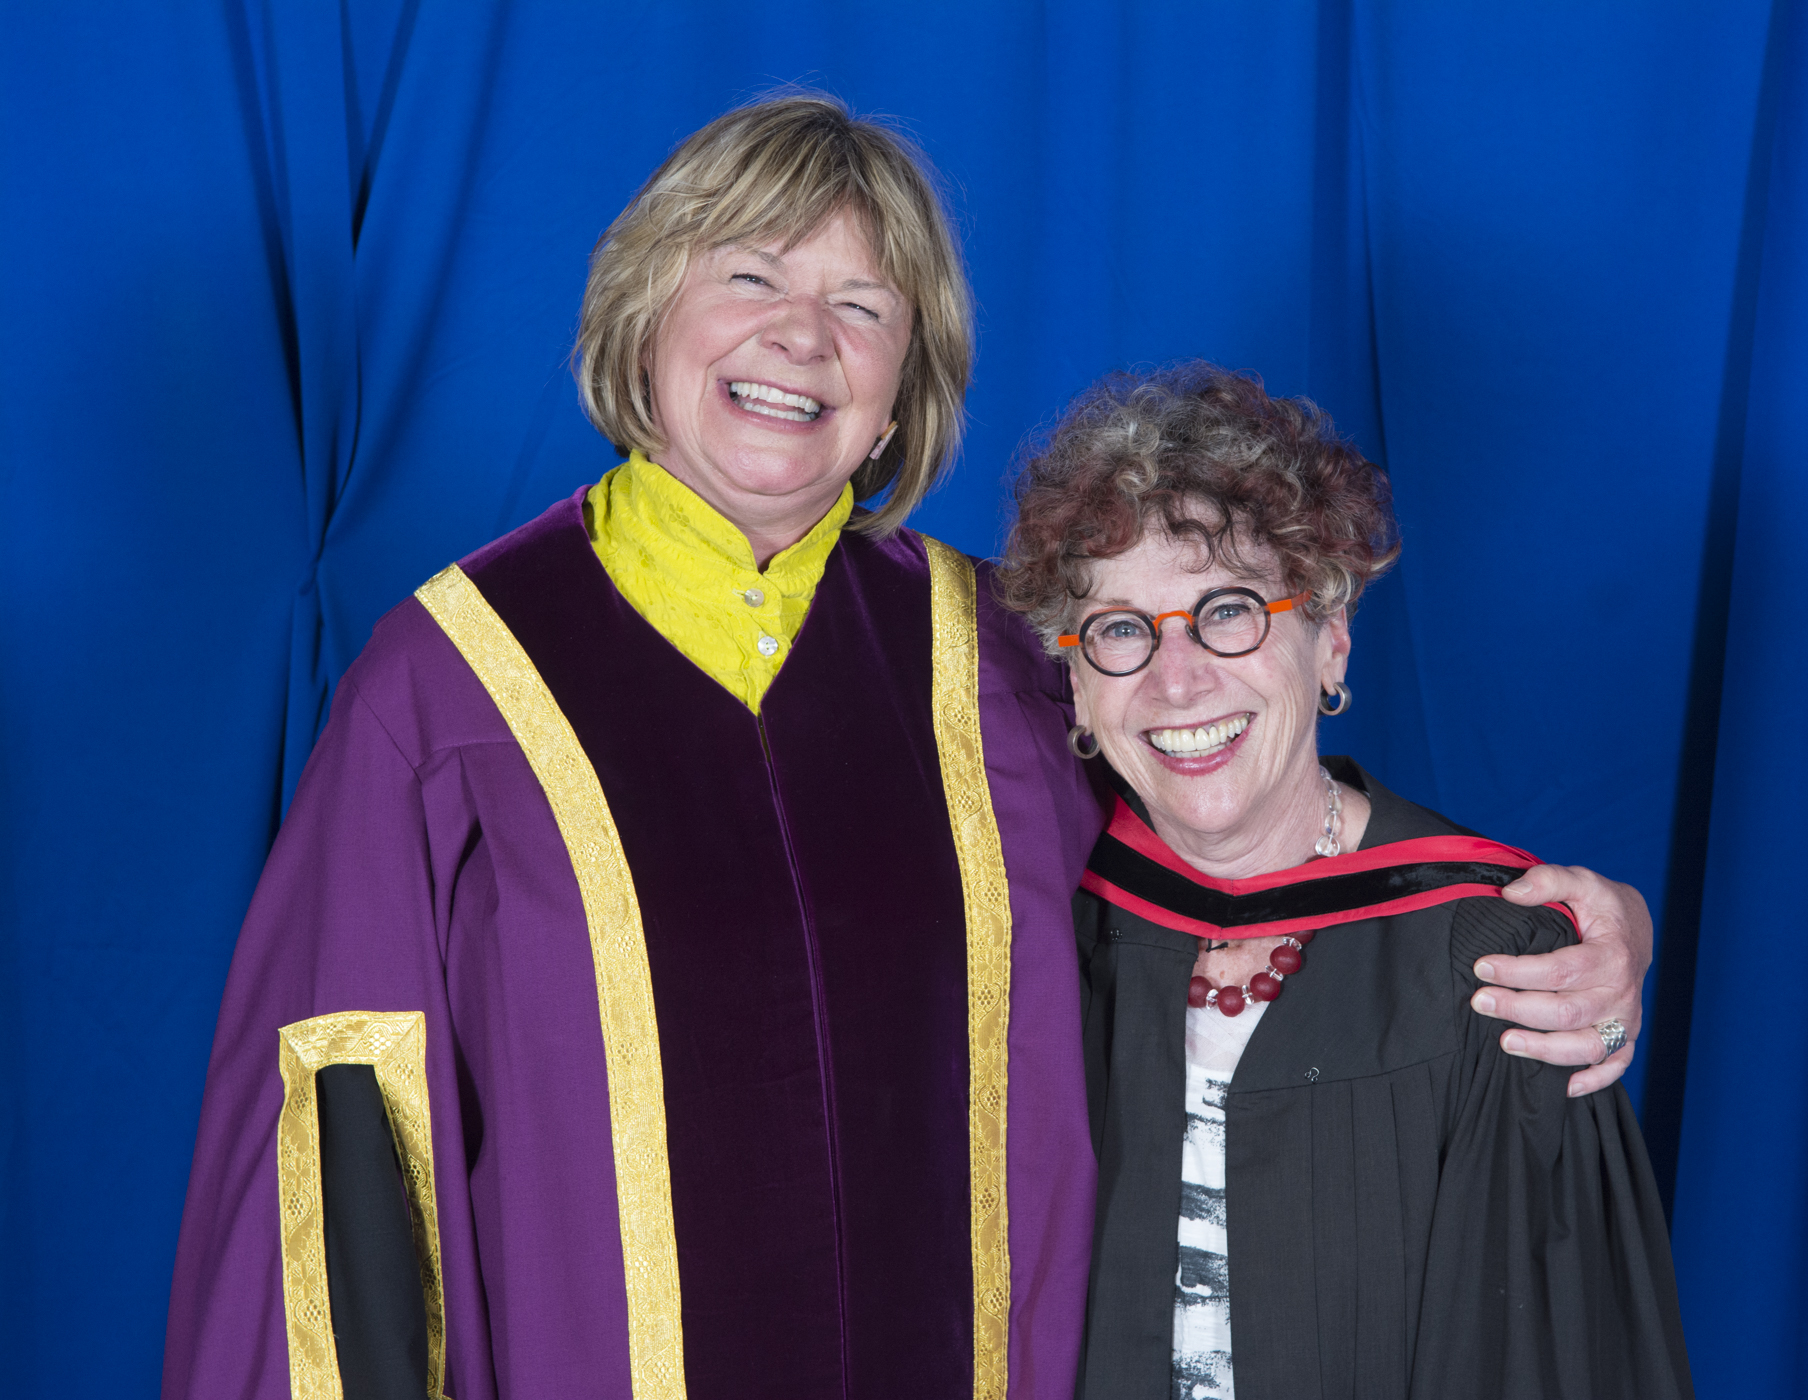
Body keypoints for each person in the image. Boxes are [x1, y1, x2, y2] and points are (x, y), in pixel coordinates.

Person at [163, 97, 1656, 1400]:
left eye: (862, 306)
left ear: (897, 394)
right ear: (646, 317)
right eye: (748, 275)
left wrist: (1531, 927)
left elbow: (1234, 856)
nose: (800, 337)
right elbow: (338, 1152)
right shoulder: (450, 691)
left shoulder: (999, 659)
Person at [999, 363, 1692, 1399]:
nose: (1176, 678)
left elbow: (1546, 1360)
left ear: (1329, 642)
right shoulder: (1043, 930)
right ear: (1077, 683)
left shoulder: (1499, 967)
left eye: (1227, 610)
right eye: (1122, 628)